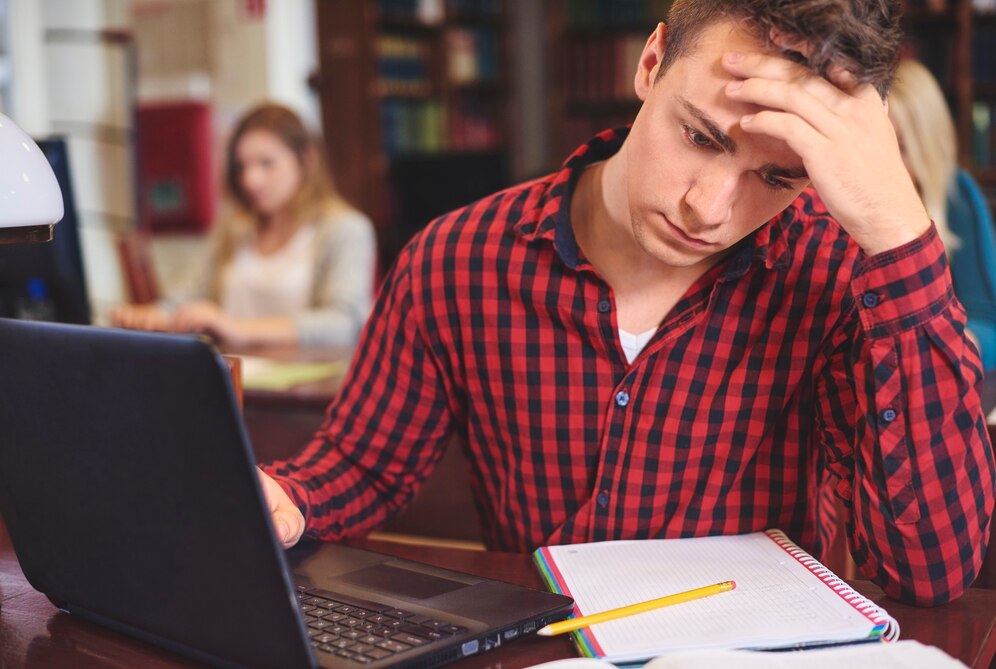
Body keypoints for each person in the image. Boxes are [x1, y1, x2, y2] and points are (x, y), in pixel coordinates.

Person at [258, 0, 995, 606]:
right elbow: (363, 464)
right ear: (650, 61)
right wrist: (288, 497)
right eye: (699, 136)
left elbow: (926, 572)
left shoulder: (834, 277)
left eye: (776, 180)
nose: (708, 208)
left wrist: (901, 236)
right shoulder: (457, 260)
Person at [110, 103, 377, 348]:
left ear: (307, 160)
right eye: (242, 167)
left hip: (304, 392)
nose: (251, 180)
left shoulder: (346, 229)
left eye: (267, 164)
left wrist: (236, 328)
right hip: (233, 383)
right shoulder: (234, 228)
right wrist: (152, 316)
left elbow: (345, 324)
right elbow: (186, 298)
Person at [888, 59, 996, 373]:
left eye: (903, 148)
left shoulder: (955, 195)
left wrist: (945, 349)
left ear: (927, 148)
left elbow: (989, 322)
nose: (888, 164)